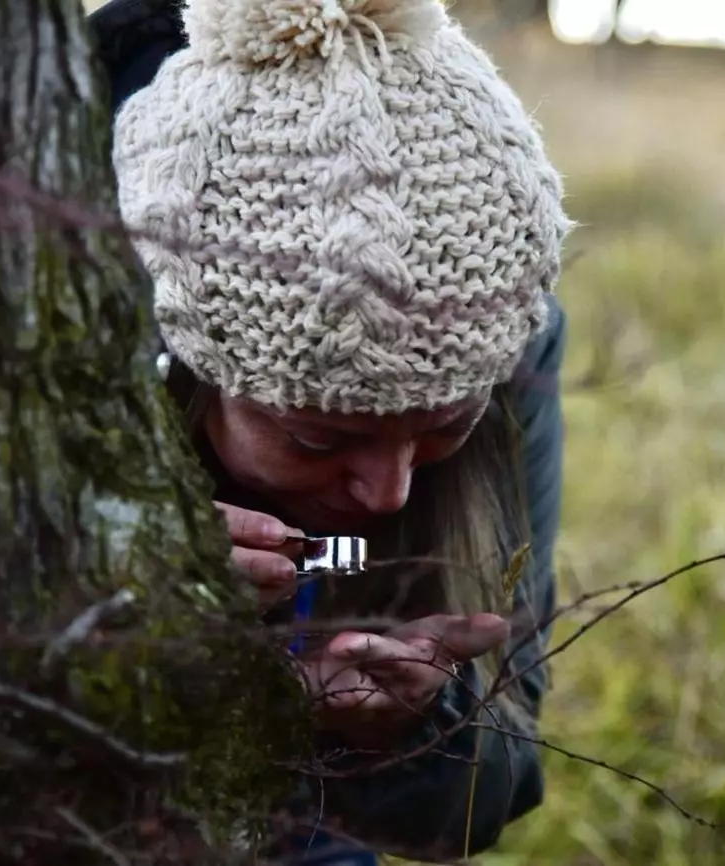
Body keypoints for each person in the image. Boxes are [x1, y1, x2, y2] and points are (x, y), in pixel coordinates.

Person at [87, 0, 572, 862]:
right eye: (319, 439)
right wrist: (110, 615)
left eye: (443, 428)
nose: (392, 491)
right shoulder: (61, 333)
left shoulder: (506, 338)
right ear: (188, 369)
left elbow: (501, 778)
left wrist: (418, 725)